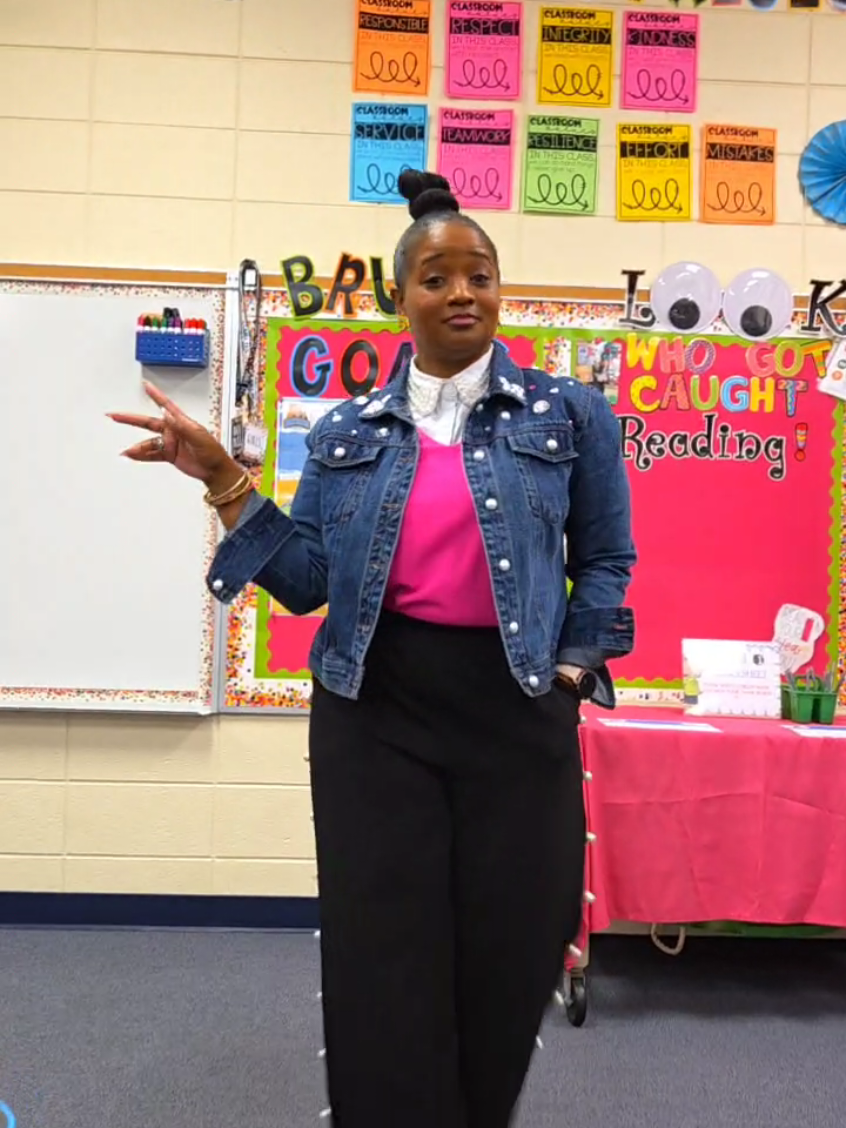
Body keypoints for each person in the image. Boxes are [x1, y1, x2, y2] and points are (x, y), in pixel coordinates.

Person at [110, 170, 636, 1128]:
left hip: (517, 705)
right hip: (377, 710)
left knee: (516, 942)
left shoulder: (571, 416)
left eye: (480, 274)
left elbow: (606, 558)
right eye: (437, 277)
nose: (462, 292)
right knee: (383, 955)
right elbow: (309, 579)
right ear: (403, 299)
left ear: (500, 290)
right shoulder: (349, 431)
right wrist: (226, 478)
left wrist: (567, 672)